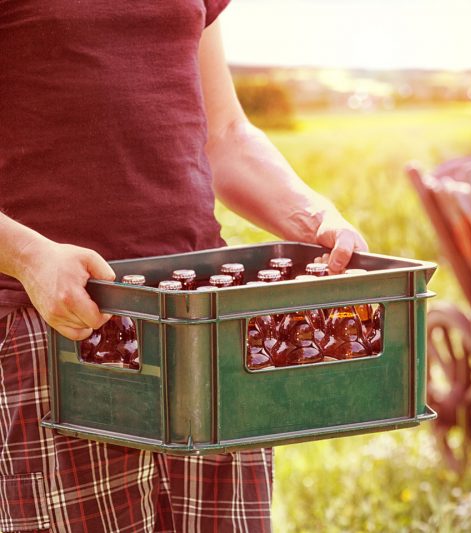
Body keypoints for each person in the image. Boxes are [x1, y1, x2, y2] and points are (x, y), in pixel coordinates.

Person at [0, 1, 366, 531]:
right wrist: (30, 257)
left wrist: (316, 220)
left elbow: (226, 136)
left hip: (205, 326)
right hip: (57, 323)